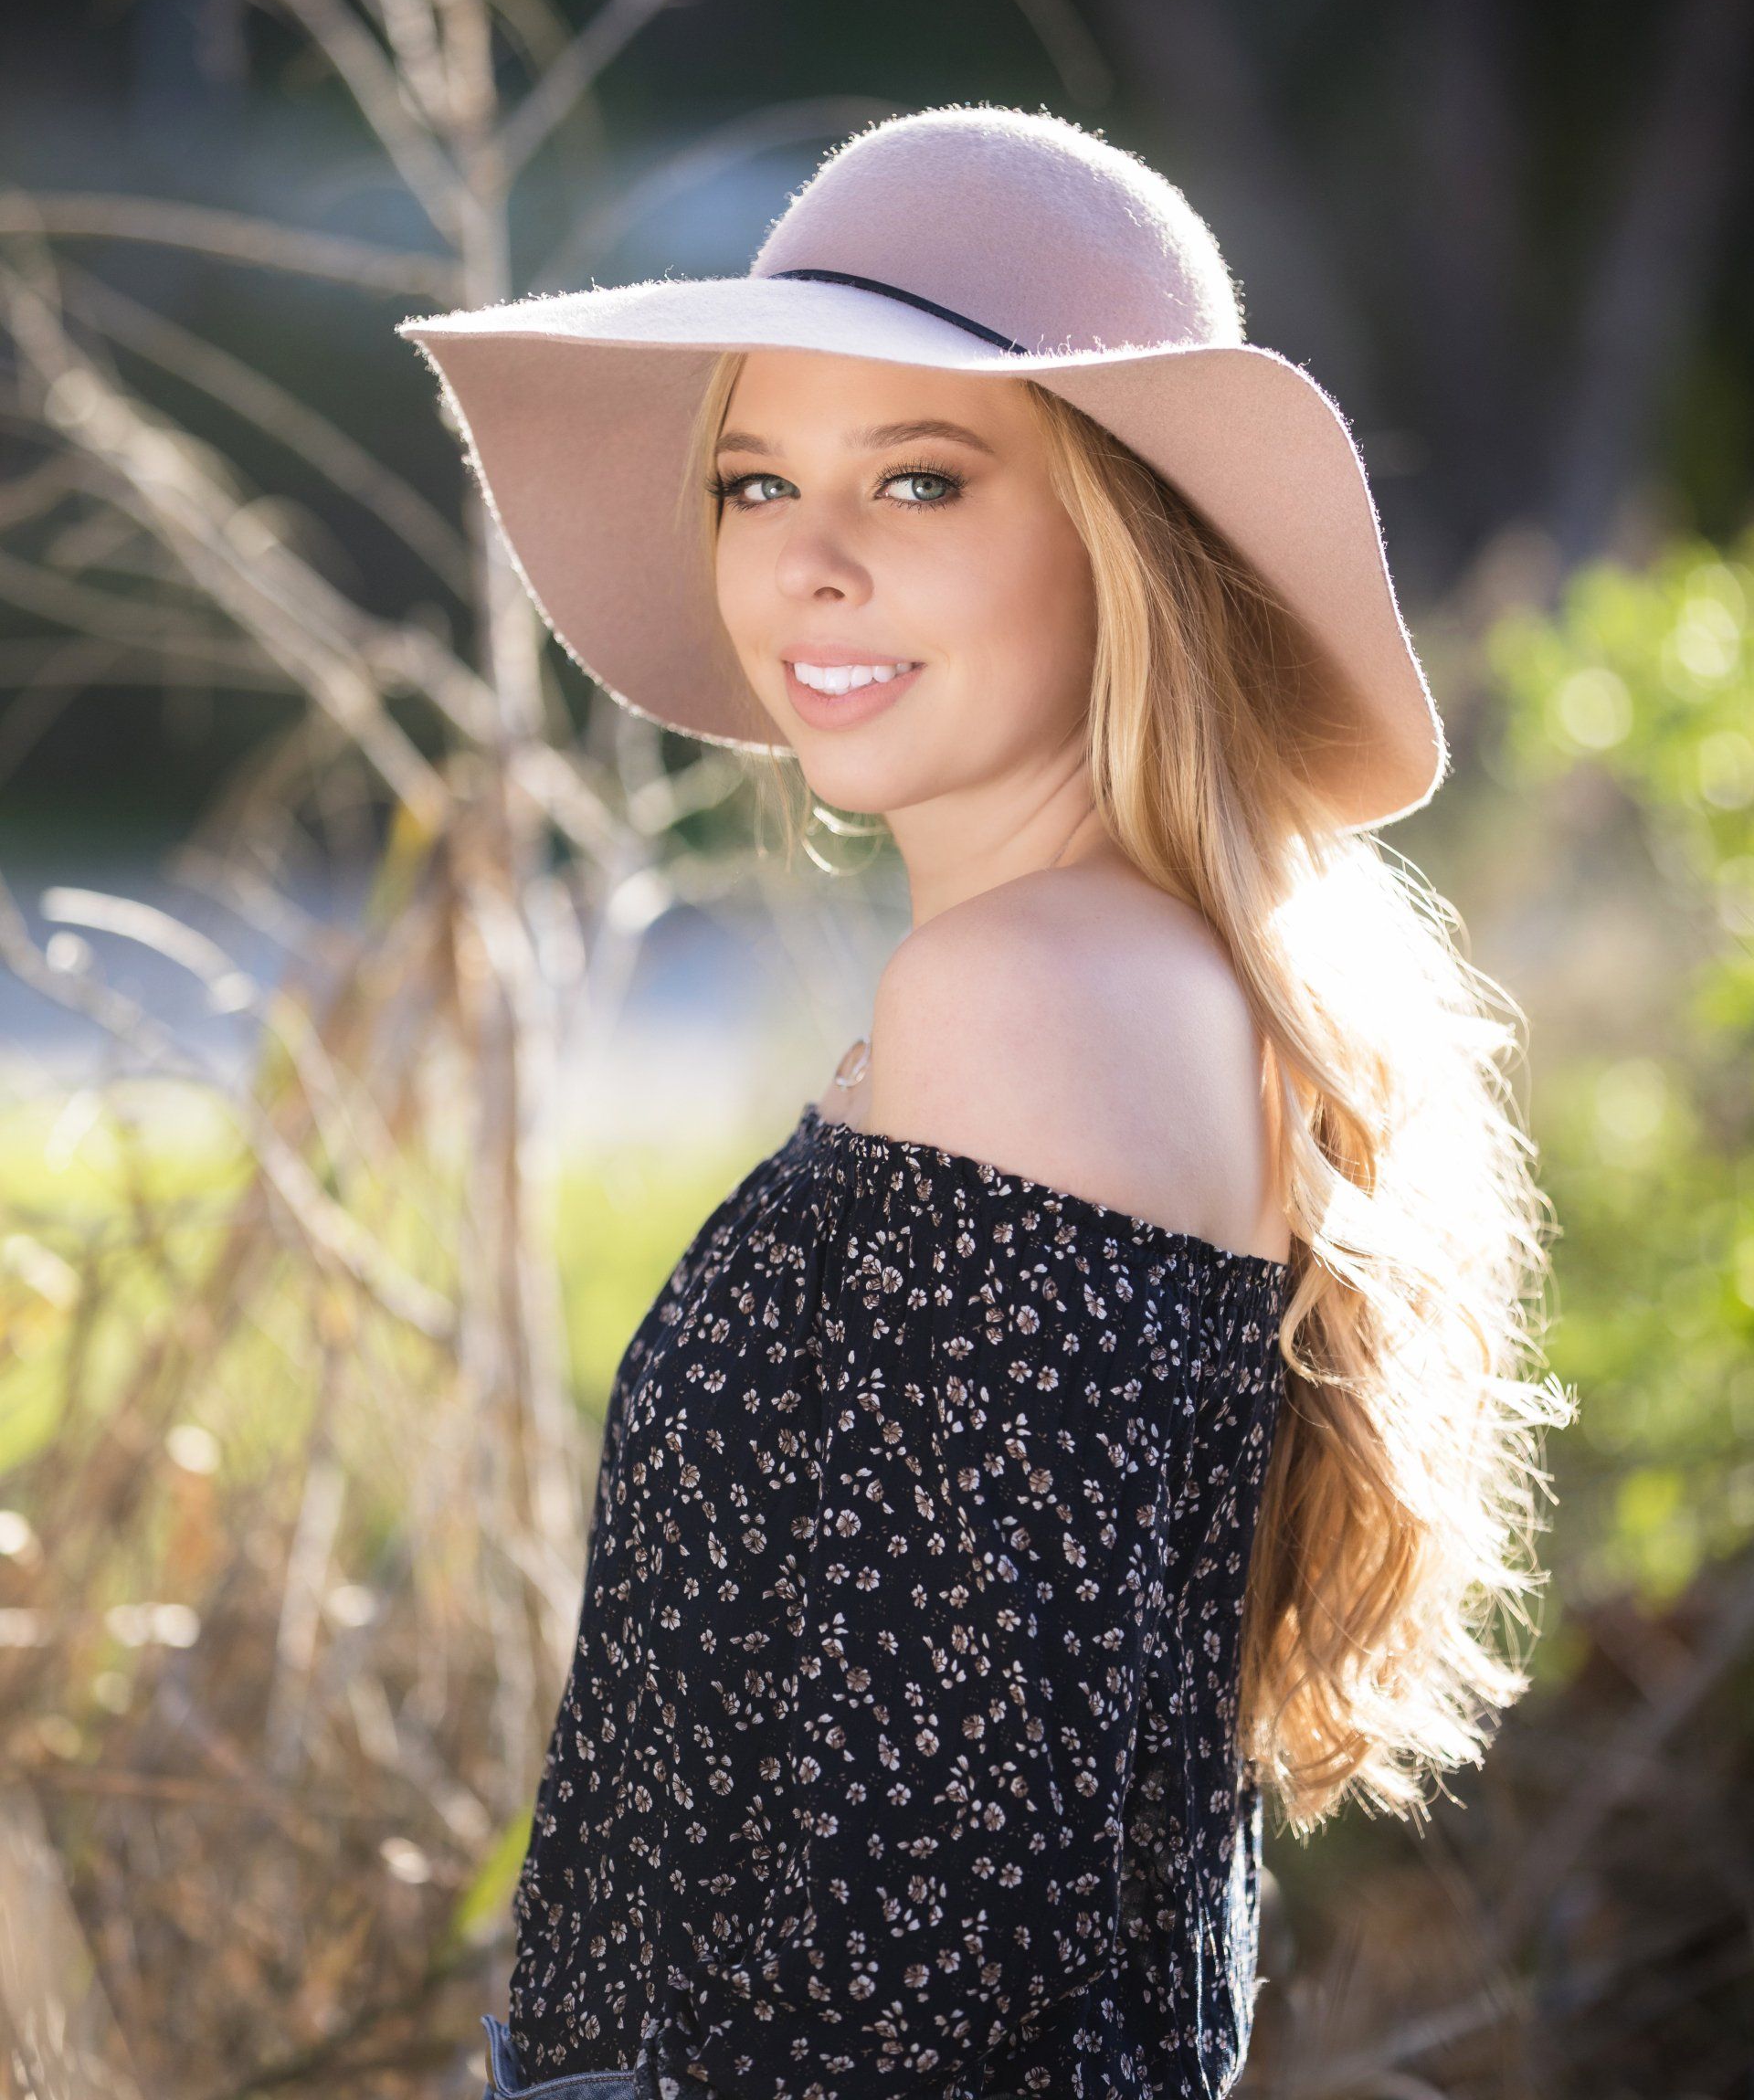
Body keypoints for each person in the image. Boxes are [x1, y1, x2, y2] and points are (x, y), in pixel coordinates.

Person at [399, 106, 1567, 2100]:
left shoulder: (1026, 1001)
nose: (813, 563)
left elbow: (921, 1925)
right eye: (760, 481)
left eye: (921, 481)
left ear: (1128, 537)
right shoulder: (1120, 979)